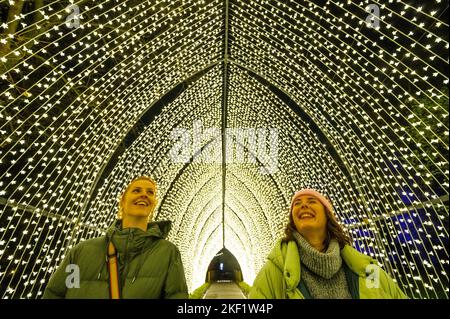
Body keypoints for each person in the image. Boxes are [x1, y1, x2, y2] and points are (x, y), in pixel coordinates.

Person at [43, 176, 188, 299]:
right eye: (137, 190)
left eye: (150, 192)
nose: (144, 194)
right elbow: (56, 293)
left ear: (153, 205)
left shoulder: (167, 253)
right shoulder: (81, 252)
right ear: (122, 202)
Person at [249, 189, 408, 299]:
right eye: (297, 204)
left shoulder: (366, 269)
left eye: (312, 201)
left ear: (328, 215)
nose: (303, 205)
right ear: (293, 221)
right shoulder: (276, 271)